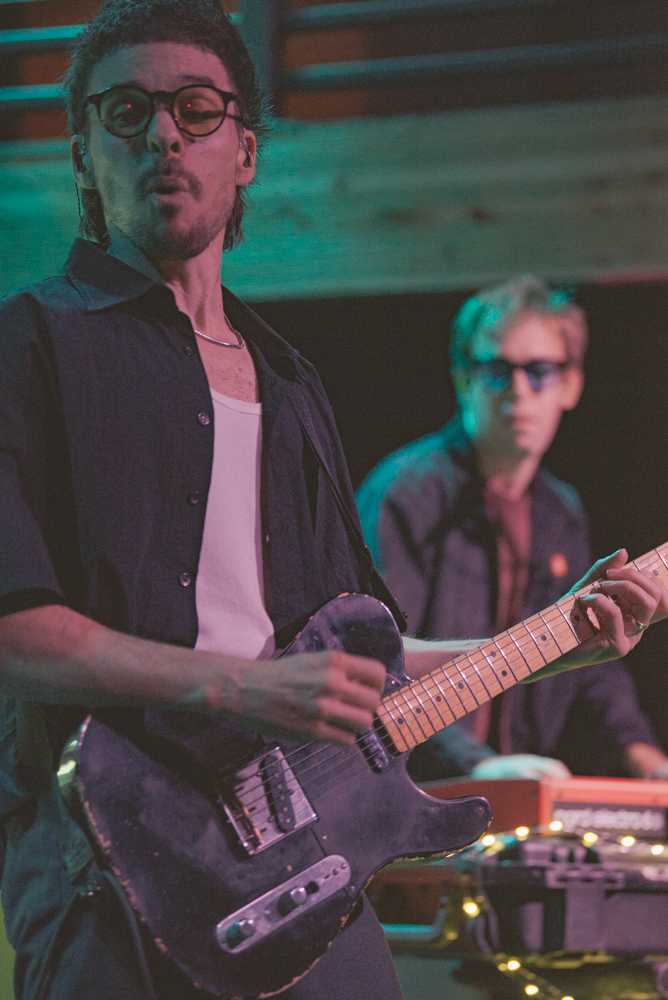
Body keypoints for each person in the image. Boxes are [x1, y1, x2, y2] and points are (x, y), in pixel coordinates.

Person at [0, 4, 663, 998]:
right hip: (107, 865)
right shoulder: (29, 346)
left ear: (247, 153)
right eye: (126, 111)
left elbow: (365, 663)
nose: (163, 134)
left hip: (297, 862)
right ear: (85, 155)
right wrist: (232, 685)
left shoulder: (289, 382)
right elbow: (11, 627)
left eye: (194, 108)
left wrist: (558, 635)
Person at [357, 276, 668, 784]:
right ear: (464, 379)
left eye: (540, 371)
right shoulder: (405, 492)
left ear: (571, 385)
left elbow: (590, 656)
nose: (519, 392)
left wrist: (646, 758)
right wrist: (478, 765)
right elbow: (380, 663)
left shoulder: (560, 510)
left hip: (500, 791)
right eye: (498, 371)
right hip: (406, 784)